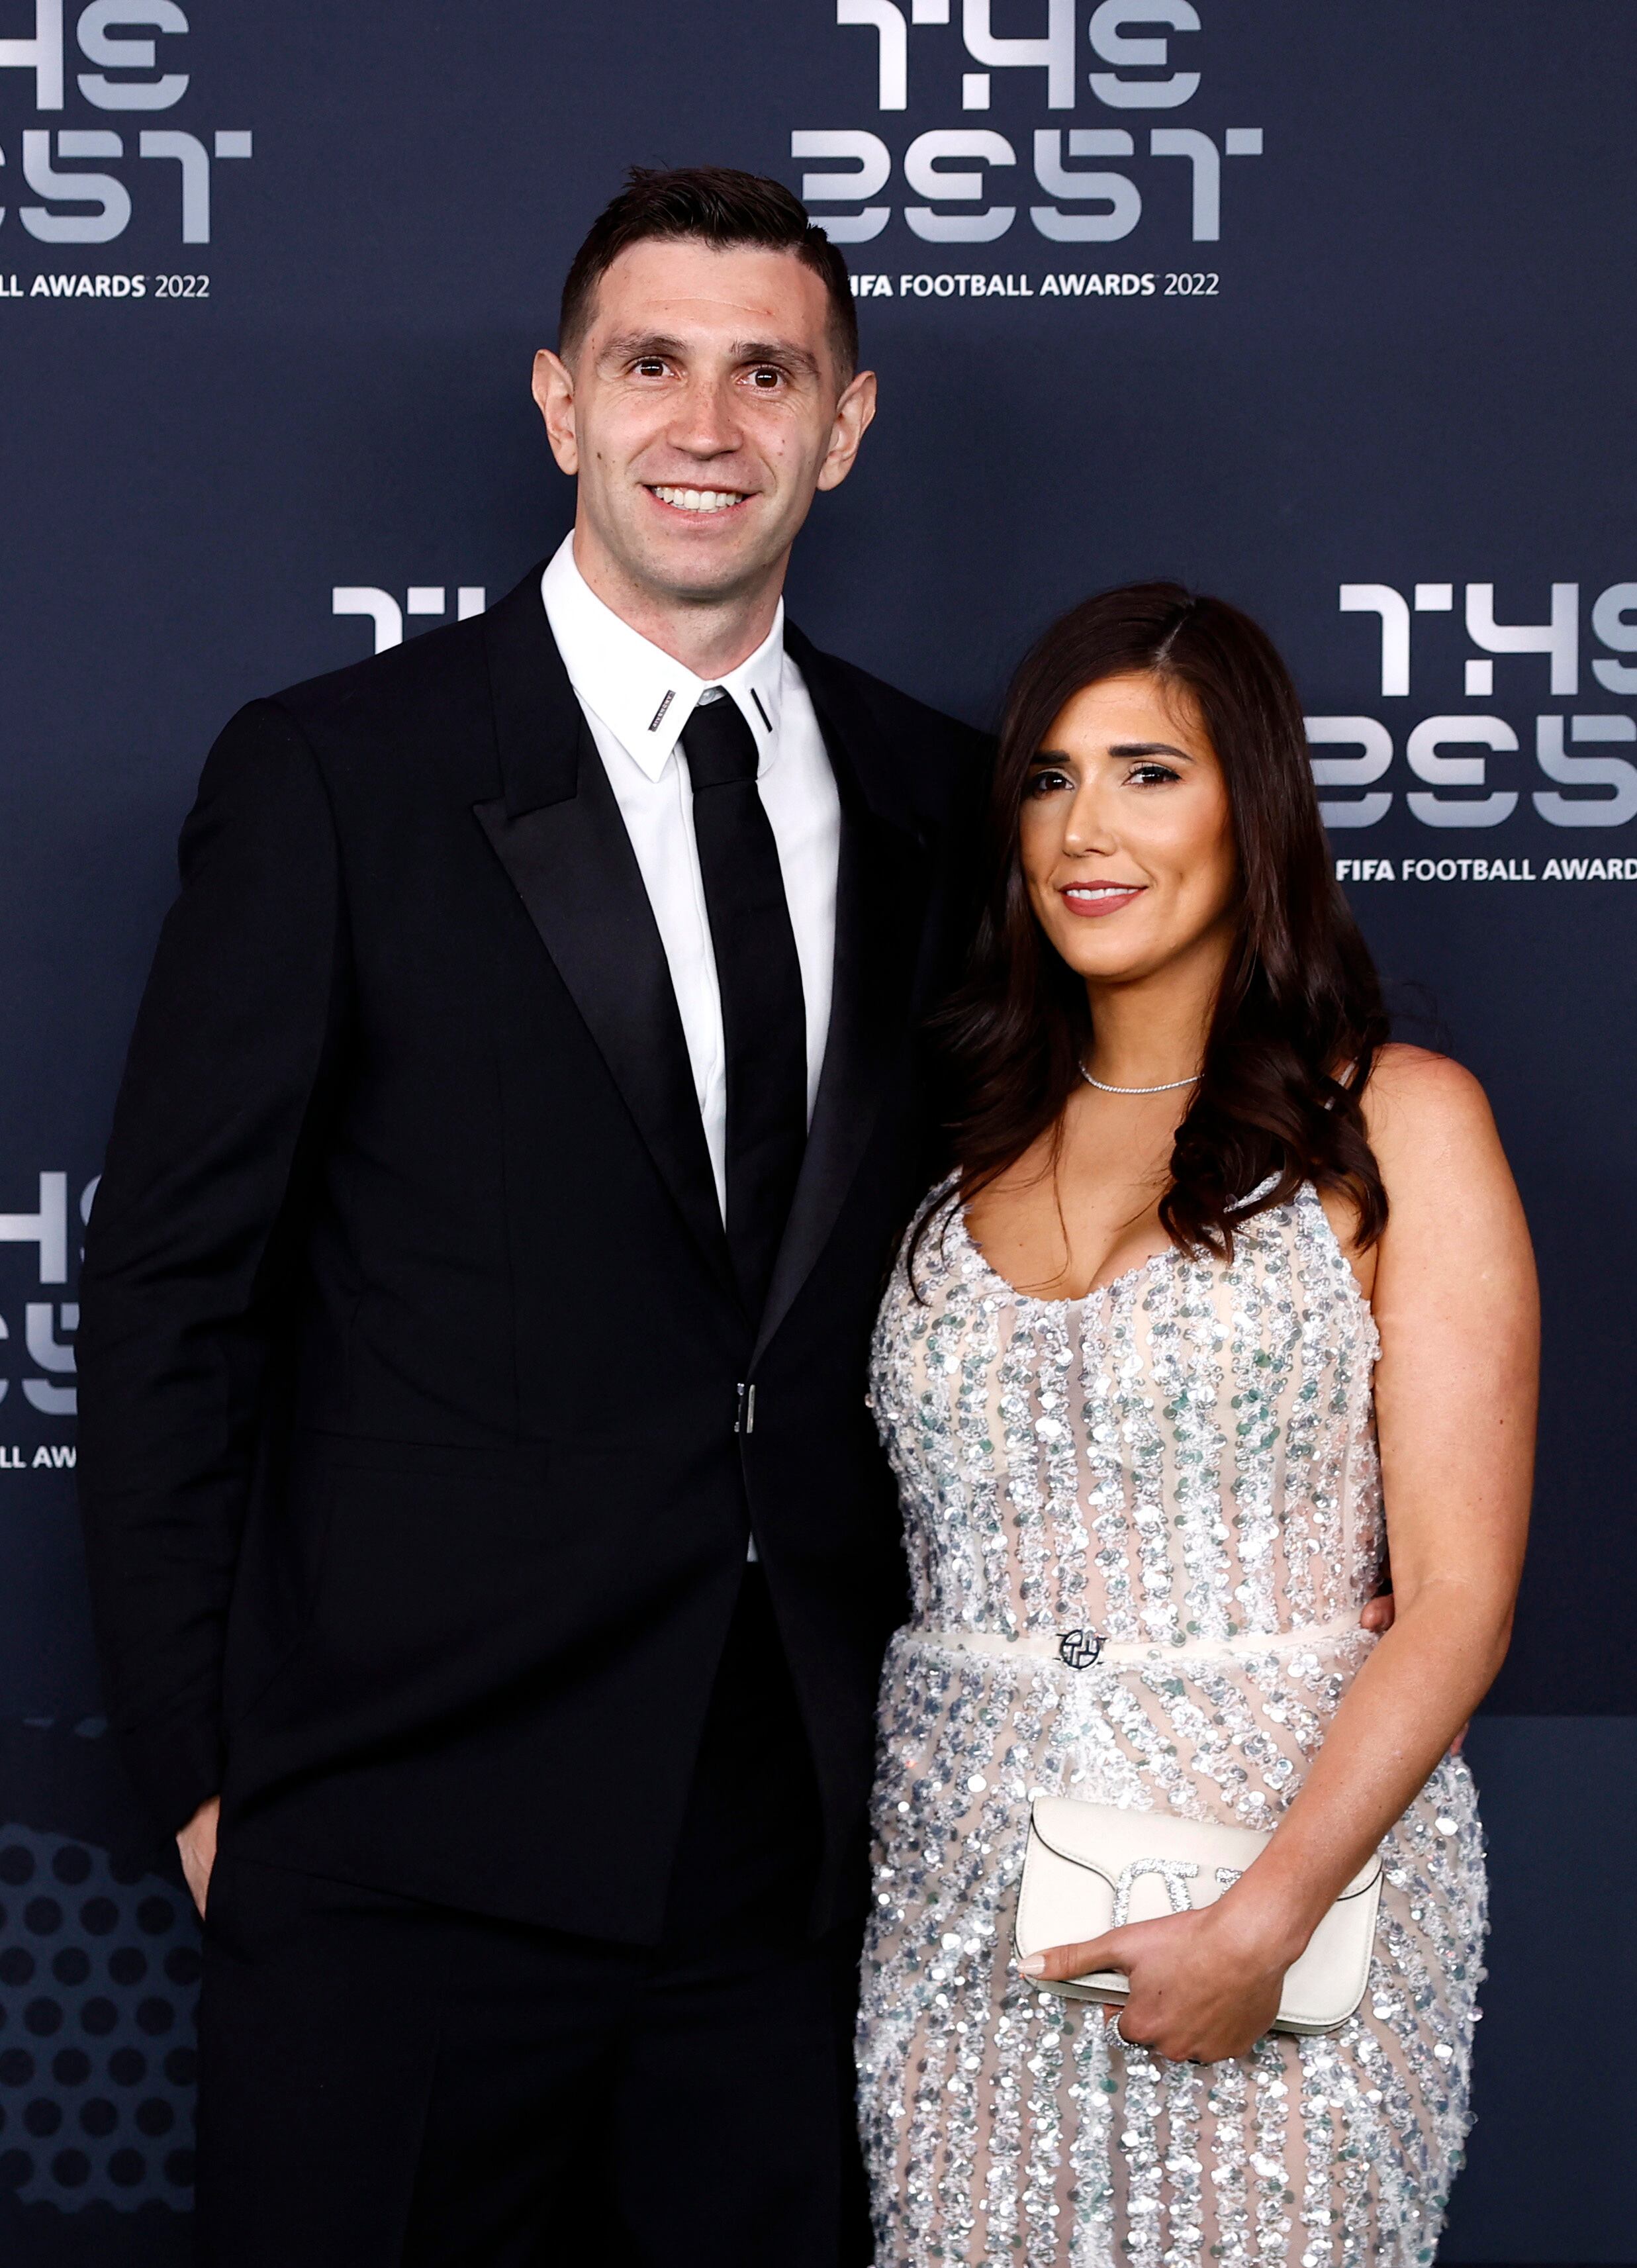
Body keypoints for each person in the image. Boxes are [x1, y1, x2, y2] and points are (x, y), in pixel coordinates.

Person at [76, 165, 985, 2267]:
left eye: (769, 372)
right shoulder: (340, 775)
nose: (707, 422)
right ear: (559, 403)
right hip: (399, 1846)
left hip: (792, 1866)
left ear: (846, 426)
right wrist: (210, 1788)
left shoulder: (948, 797)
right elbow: (172, 1299)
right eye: (652, 363)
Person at [857, 584, 1535, 2265]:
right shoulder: (945, 1147)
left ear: (1256, 805)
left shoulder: (1395, 1123)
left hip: (1289, 1906)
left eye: (1149, 772)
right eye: (1048, 779)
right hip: (958, 1913)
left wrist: (1267, 1914)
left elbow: (1455, 1599)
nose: (1087, 828)